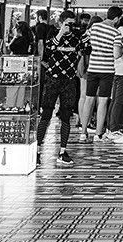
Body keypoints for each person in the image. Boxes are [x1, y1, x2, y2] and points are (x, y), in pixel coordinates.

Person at [36, 10, 83, 166]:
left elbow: (85, 49)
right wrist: (60, 33)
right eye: (67, 23)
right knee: (46, 114)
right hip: (52, 79)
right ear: (61, 22)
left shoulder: (77, 38)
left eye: (71, 23)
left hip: (69, 81)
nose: (69, 27)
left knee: (66, 116)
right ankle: (37, 149)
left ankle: (62, 151)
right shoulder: (53, 35)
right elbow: (47, 51)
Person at [80, 5, 123, 140]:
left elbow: (84, 41)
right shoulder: (116, 33)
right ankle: (98, 134)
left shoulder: (94, 27)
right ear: (116, 18)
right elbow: (116, 55)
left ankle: (83, 132)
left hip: (92, 68)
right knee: (103, 101)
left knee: (89, 99)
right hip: (107, 71)